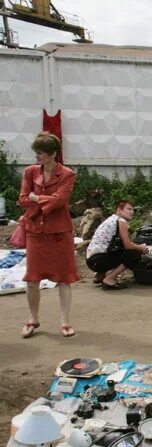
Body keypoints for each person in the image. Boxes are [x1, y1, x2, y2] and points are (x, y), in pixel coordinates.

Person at [17, 132, 80, 338]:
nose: (37, 157)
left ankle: (65, 322)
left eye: (41, 153)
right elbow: (22, 200)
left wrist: (36, 198)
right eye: (36, 153)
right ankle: (33, 319)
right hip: (35, 231)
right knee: (32, 278)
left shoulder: (68, 174)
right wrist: (40, 199)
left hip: (59, 232)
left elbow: (59, 201)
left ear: (53, 154)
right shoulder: (30, 172)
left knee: (64, 278)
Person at [86, 200, 148, 290]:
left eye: (132, 210)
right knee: (134, 253)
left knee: (120, 249)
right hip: (99, 260)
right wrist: (141, 247)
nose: (132, 212)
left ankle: (99, 276)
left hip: (91, 261)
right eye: (129, 209)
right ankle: (109, 279)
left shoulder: (111, 219)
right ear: (119, 210)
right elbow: (127, 245)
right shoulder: (121, 221)